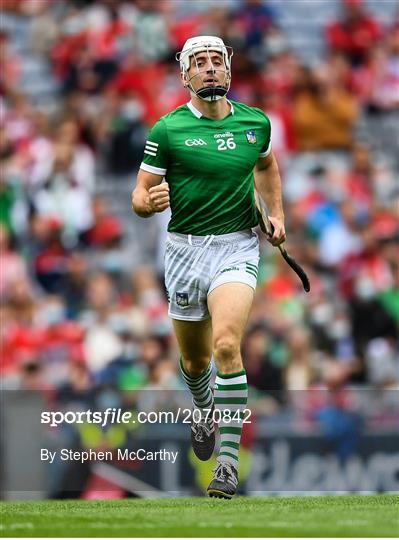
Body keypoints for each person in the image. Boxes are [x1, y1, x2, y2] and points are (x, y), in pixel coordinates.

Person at [131, 36, 285, 498]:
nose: (211, 68)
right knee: (195, 362)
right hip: (183, 250)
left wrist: (276, 214)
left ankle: (227, 465)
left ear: (229, 68)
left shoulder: (255, 122)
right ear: (185, 76)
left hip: (237, 247)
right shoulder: (167, 130)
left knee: (226, 346)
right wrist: (147, 204)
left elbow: (267, 165)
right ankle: (202, 413)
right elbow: (140, 194)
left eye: (217, 60)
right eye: (200, 63)